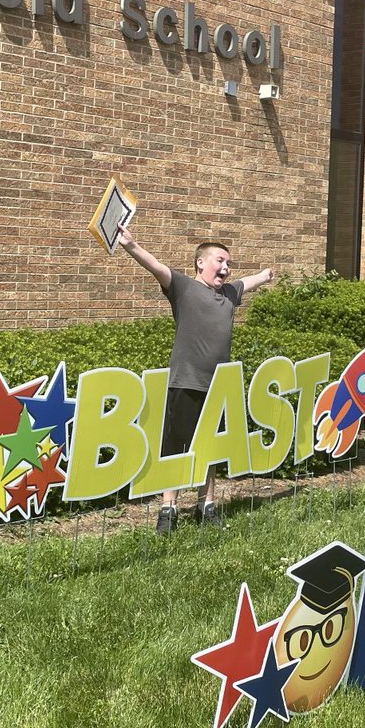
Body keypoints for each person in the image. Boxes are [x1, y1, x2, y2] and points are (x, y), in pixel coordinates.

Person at [117, 223, 274, 533]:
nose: (226, 268)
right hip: (185, 382)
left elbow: (246, 282)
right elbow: (156, 267)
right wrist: (131, 246)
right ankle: (168, 509)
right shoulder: (184, 288)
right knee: (176, 447)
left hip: (218, 387)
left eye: (229, 263)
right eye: (220, 260)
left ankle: (207, 505)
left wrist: (265, 275)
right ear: (200, 262)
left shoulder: (229, 293)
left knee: (210, 449)